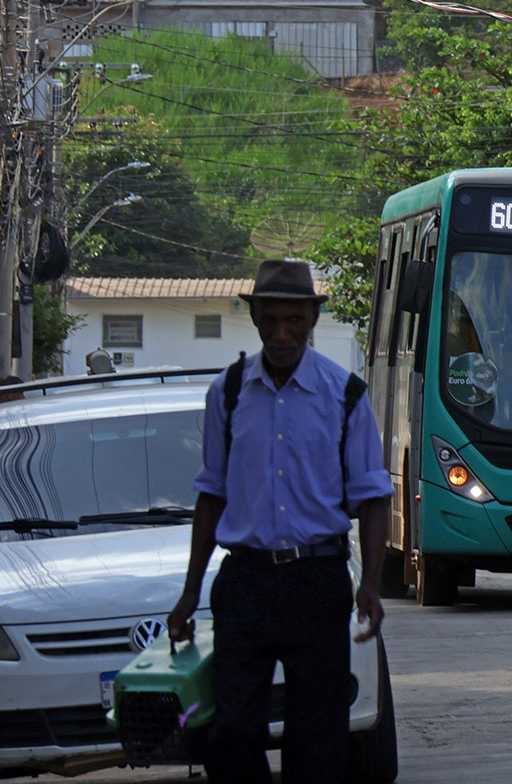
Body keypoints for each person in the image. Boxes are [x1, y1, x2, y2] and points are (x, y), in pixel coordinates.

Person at [167, 260, 393, 784]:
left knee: (317, 739)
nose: (282, 333)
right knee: (233, 731)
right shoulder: (226, 394)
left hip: (318, 583)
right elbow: (211, 496)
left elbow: (374, 499)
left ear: (314, 317)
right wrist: (188, 593)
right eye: (271, 320)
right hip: (245, 584)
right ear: (256, 319)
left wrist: (373, 588)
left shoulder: (348, 396)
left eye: (295, 320)